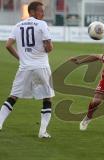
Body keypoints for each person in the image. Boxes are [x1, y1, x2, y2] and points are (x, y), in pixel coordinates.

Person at [0, 1, 54, 138]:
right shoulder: (42, 24)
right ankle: (42, 132)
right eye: (41, 11)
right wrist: (46, 46)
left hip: (24, 67)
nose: (43, 13)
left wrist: (20, 57)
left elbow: (8, 45)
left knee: (13, 96)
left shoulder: (18, 25)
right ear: (32, 12)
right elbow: (49, 49)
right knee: (47, 98)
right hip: (41, 66)